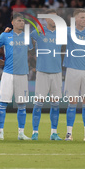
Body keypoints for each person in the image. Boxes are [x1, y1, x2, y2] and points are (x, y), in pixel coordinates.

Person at [0, 13, 33, 140]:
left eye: (23, 21)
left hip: (22, 73)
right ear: (12, 23)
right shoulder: (5, 36)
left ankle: (21, 133)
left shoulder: (26, 36)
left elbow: (31, 49)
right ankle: (0, 132)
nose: (21, 23)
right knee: (3, 104)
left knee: (22, 105)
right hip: (8, 73)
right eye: (18, 21)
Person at [63, 8, 85, 141]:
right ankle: (69, 133)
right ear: (75, 19)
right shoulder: (68, 31)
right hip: (72, 70)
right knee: (72, 103)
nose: (84, 19)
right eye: (82, 17)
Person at [30, 10, 62, 141]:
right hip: (42, 72)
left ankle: (54, 133)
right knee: (38, 104)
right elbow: (27, 40)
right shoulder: (38, 32)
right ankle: (35, 132)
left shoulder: (62, 33)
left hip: (57, 73)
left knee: (55, 105)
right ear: (46, 19)